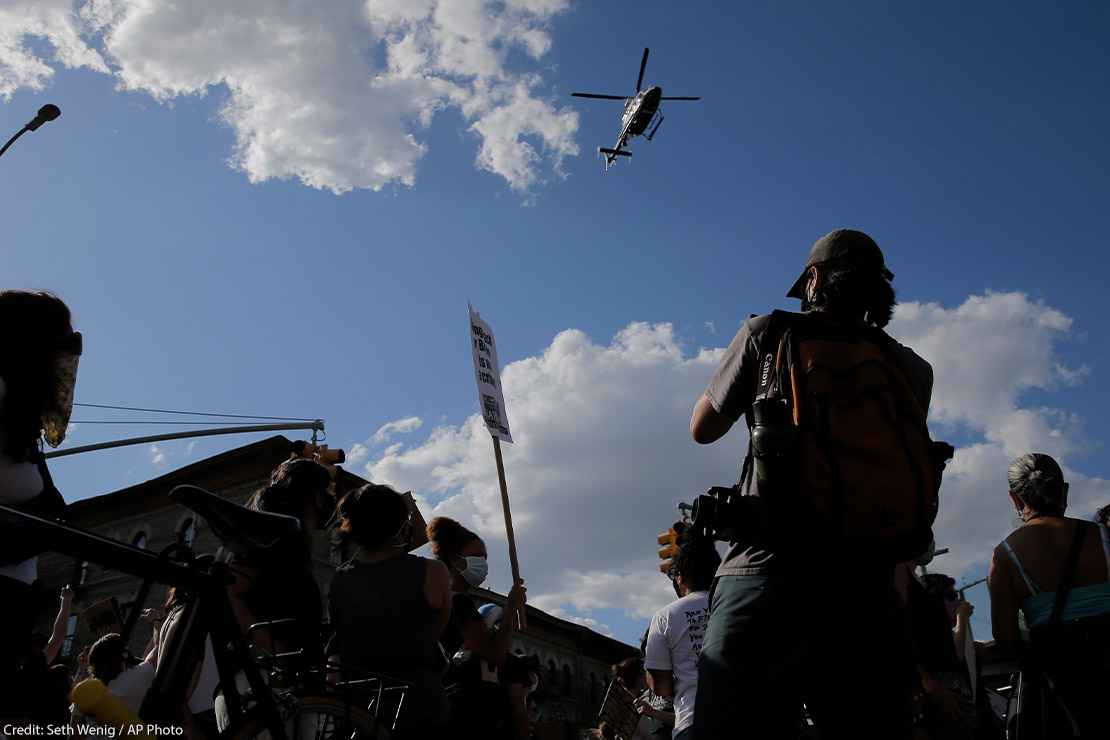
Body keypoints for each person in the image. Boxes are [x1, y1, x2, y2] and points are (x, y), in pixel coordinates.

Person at [690, 229, 935, 739]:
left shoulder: (768, 333)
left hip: (766, 575)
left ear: (814, 279)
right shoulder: (910, 369)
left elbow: (702, 428)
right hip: (865, 590)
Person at [988, 453, 1110, 737]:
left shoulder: (1005, 557)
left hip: (1060, 686)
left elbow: (1006, 638)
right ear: (1064, 490)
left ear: (1015, 499)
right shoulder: (1103, 538)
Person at [0, 290, 80, 718]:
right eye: (62, 342)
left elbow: (55, 508)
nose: (68, 356)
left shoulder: (21, 419)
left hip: (15, 598)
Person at [327, 484, 452, 738]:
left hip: (360, 703)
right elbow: (437, 628)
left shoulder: (340, 579)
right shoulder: (434, 572)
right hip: (419, 700)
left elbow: (339, 633)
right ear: (400, 524)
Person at [426, 516, 527, 733]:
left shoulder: (433, 598)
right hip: (459, 710)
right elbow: (495, 654)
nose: (483, 563)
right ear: (454, 559)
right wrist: (510, 609)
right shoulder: (459, 602)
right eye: (476, 557)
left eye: (485, 558)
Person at [644, 540, 718, 740]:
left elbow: (661, 687)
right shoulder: (735, 604)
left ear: (680, 577)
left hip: (694, 722)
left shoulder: (665, 617)